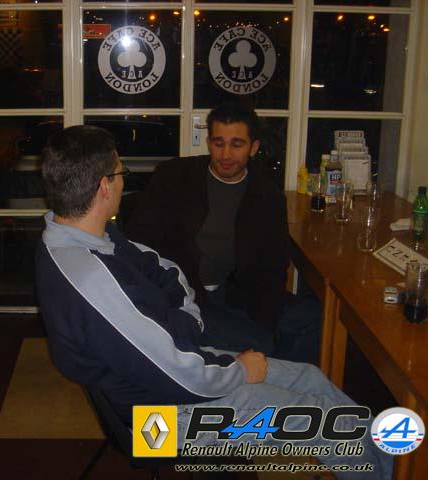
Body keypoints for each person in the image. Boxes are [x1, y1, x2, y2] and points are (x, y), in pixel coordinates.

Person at [34, 125, 392, 478]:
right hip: (157, 423)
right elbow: (178, 373)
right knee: (330, 423)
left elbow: (165, 270)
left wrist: (189, 324)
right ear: (104, 186)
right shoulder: (92, 278)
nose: (123, 181)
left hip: (174, 373)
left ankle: (392, 467)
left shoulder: (84, 237)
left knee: (311, 378)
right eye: (120, 172)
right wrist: (239, 371)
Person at [126, 102, 321, 363]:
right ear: (208, 143)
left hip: (237, 294)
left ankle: (277, 372)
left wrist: (267, 320)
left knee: (312, 318)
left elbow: (274, 267)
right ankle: (263, 367)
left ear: (254, 147)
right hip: (186, 295)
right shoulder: (174, 177)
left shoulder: (268, 195)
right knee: (260, 344)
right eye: (218, 143)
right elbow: (140, 243)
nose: (226, 154)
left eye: (236, 145)